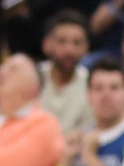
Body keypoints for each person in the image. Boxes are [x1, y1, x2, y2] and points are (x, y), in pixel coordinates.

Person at [37, 12, 92, 145]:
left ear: (86, 48)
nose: (69, 50)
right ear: (46, 44)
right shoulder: (31, 78)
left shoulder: (93, 85)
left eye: (77, 43)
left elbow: (90, 133)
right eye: (62, 41)